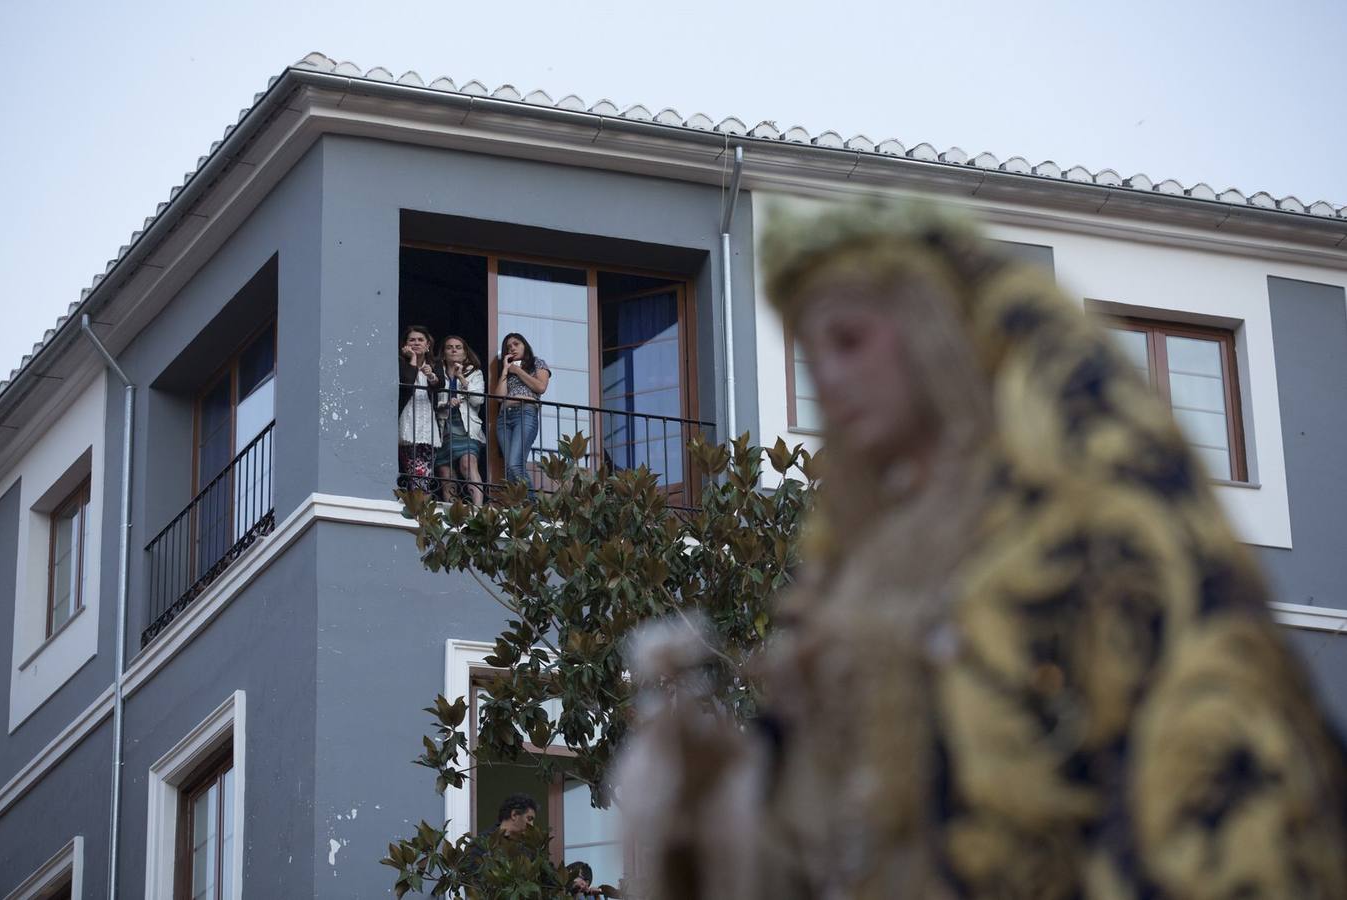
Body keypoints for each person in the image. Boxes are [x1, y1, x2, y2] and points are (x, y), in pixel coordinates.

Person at [616, 199, 1347, 899]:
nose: (828, 380)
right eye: (811, 354)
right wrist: (714, 789)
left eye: (850, 340)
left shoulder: (1094, 534)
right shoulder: (848, 567)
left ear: (930, 329)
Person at [465, 794, 598, 896]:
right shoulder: (481, 843)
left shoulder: (529, 848)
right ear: (514, 814)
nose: (532, 825)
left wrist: (572, 883)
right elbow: (473, 880)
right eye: (529, 819)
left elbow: (549, 878)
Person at [493, 332, 551, 498]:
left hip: (525, 414)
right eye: (508, 347)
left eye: (516, 344)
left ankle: (534, 508)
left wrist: (518, 371)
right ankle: (521, 510)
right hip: (504, 418)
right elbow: (498, 397)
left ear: (525, 345)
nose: (512, 348)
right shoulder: (508, 370)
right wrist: (505, 370)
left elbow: (540, 387)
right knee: (510, 470)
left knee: (514, 465)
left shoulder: (537, 362)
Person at [435, 335, 487, 505]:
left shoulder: (474, 373)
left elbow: (478, 400)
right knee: (445, 472)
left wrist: (462, 378)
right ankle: (452, 512)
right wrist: (446, 403)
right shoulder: (437, 373)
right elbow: (432, 400)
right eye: (449, 347)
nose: (454, 350)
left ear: (465, 354)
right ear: (443, 354)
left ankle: (478, 507)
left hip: (466, 426)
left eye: (458, 347)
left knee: (467, 464)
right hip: (443, 426)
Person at [397, 325, 442, 494]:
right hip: (409, 418)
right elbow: (408, 381)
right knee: (414, 466)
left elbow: (440, 384)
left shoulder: (435, 363)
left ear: (428, 345)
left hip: (428, 422)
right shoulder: (401, 362)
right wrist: (413, 359)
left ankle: (421, 499)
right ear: (405, 345)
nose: (416, 343)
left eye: (420, 340)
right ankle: (418, 499)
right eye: (412, 340)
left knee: (426, 468)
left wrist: (430, 374)